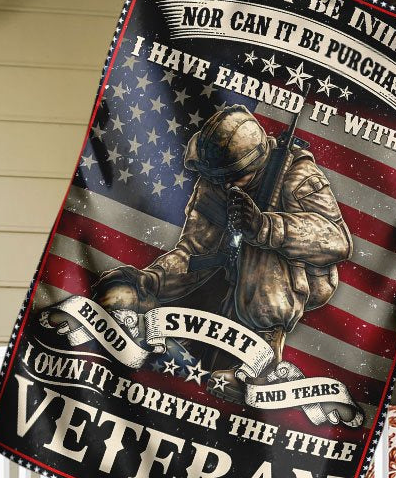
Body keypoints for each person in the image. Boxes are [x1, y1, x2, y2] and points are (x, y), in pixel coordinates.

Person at [95, 105, 352, 403]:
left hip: (298, 279)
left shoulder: (297, 175)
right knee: (174, 282)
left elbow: (338, 241)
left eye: (233, 177)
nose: (224, 184)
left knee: (259, 252)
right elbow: (194, 248)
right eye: (218, 176)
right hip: (230, 264)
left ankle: (260, 364)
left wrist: (265, 227)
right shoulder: (216, 177)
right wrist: (151, 280)